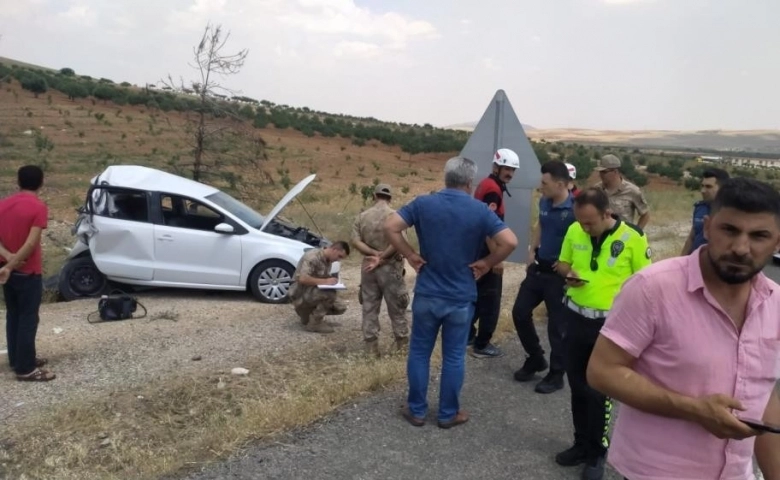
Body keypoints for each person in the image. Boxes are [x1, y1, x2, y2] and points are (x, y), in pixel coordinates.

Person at [587, 177, 780, 480]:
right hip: (655, 473)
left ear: (777, 242)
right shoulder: (653, 288)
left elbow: (764, 396)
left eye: (759, 236)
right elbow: (602, 371)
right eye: (729, 230)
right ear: (707, 228)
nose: (741, 248)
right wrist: (693, 409)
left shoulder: (776, 304)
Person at [384, 156, 518, 429]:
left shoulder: (423, 203)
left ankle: (417, 410)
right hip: (460, 297)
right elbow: (510, 241)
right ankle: (448, 414)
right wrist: (487, 263)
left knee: (420, 353)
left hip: (428, 293)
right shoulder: (480, 210)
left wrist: (410, 254)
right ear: (470, 182)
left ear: (446, 178)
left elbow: (390, 227)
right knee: (454, 356)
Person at [554, 187, 651, 480]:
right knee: (576, 385)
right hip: (575, 318)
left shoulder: (632, 238)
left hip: (609, 328)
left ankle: (598, 452)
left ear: (607, 213)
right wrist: (567, 273)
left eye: (590, 223)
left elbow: (646, 283)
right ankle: (581, 443)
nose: (585, 228)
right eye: (581, 222)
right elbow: (562, 263)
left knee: (598, 392)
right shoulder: (574, 230)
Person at [512, 160, 575, 394]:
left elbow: (585, 238)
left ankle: (557, 374)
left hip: (559, 276)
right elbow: (541, 224)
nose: (541, 186)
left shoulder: (575, 207)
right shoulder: (545, 201)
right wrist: (532, 248)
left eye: (545, 183)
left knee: (557, 327)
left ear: (560, 184)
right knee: (519, 312)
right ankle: (536, 357)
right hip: (539, 269)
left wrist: (572, 266)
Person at [0, 165, 55, 382]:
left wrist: (7, 261)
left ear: (18, 181)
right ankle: (25, 368)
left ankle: (17, 358)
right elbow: (31, 243)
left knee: (13, 315)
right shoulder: (38, 207)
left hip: (6, 272)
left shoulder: (3, 205)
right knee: (28, 319)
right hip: (28, 272)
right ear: (41, 183)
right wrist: (13, 264)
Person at [468, 147, 519, 358]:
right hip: (486, 251)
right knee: (491, 299)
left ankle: (467, 336)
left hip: (477, 250)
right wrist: (495, 259)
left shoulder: (488, 185)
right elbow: (487, 225)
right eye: (507, 168)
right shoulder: (492, 190)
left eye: (513, 170)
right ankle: (482, 344)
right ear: (496, 167)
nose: (510, 173)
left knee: (476, 296)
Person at [352, 183, 409, 357]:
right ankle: (402, 348)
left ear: (374, 196)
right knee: (397, 307)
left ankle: (371, 349)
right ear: (390, 198)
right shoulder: (396, 216)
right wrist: (383, 257)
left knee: (369, 307)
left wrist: (373, 254)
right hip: (390, 267)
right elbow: (401, 241)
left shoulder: (362, 217)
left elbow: (355, 241)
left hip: (368, 267)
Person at [288, 241, 350, 334]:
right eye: (339, 256)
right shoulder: (312, 257)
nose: (338, 260)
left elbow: (319, 277)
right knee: (329, 294)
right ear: (334, 249)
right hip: (300, 292)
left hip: (312, 291)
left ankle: (309, 315)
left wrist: (332, 281)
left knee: (340, 307)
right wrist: (326, 281)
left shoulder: (327, 260)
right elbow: (302, 279)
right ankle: (314, 323)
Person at [680, 167, 730, 256]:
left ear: (723, 188)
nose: (703, 191)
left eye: (708, 187)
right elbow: (692, 237)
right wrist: (681, 261)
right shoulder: (700, 207)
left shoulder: (732, 212)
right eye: (702, 186)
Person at [593, 154, 650, 229]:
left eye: (604, 172)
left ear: (615, 171)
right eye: (600, 172)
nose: (601, 175)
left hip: (623, 237)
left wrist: (636, 232)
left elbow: (645, 214)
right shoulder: (596, 189)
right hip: (601, 236)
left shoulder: (632, 191)